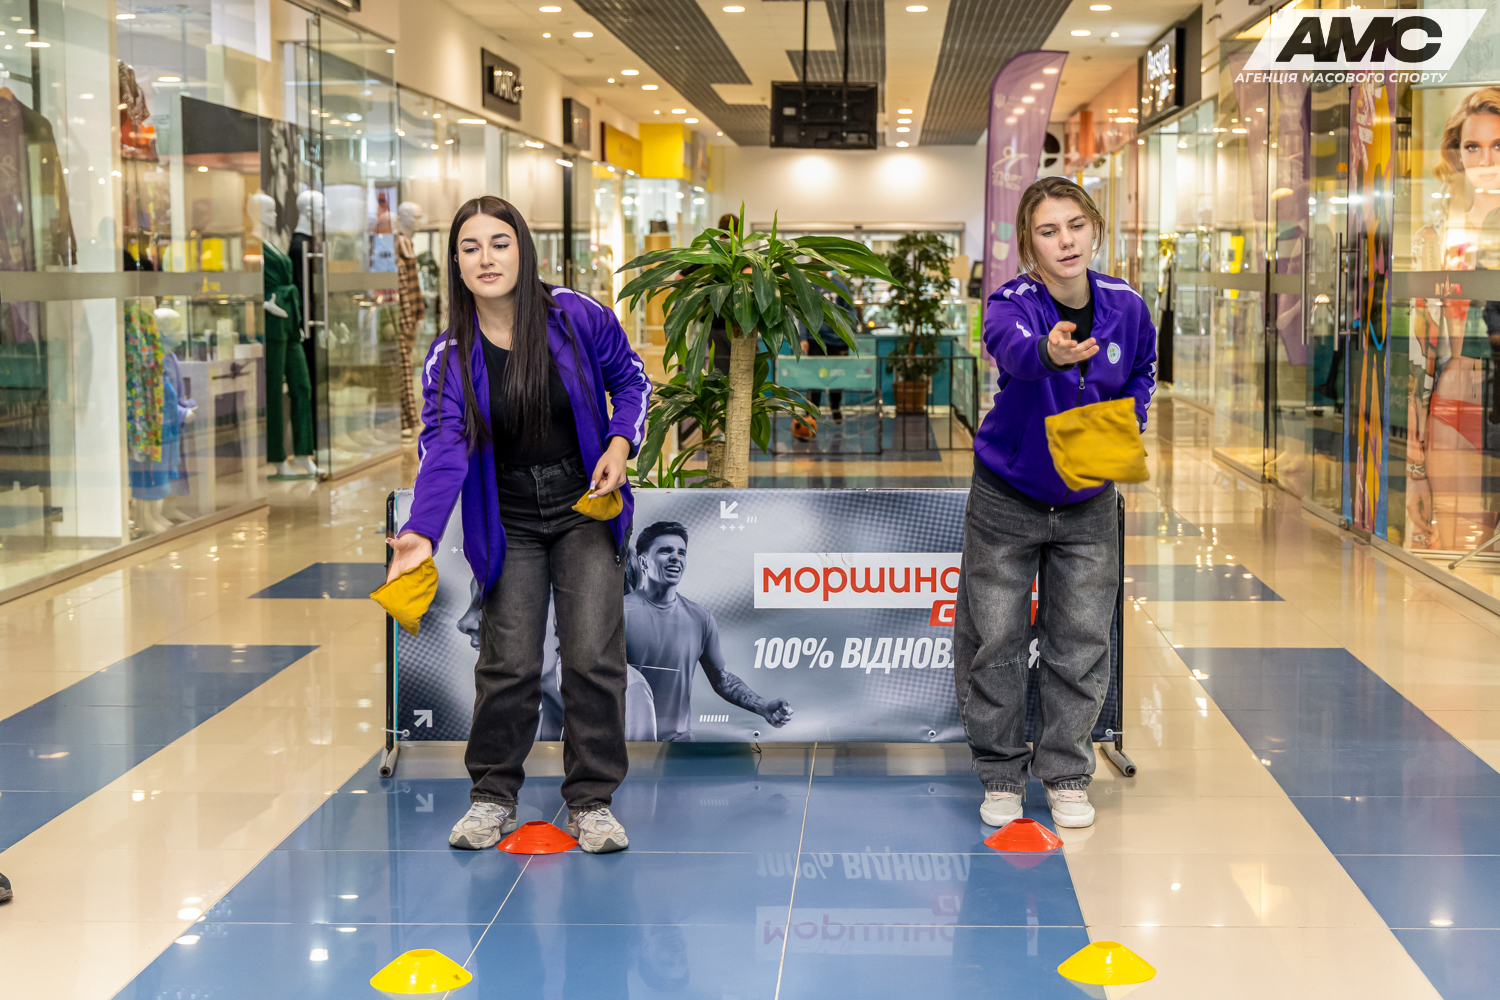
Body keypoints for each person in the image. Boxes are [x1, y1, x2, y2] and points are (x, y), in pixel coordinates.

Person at [388, 195, 652, 854]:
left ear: (522, 249)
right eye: (470, 247)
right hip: (507, 517)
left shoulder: (577, 315)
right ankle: (492, 797)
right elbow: (443, 447)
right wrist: (420, 531)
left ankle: (591, 802)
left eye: (499, 243)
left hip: (584, 502)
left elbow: (632, 382)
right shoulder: (450, 354)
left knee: (593, 657)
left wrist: (620, 443)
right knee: (508, 662)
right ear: (456, 262)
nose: (487, 258)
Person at [955, 176, 1156, 830]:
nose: (1065, 241)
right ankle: (1000, 773)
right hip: (1007, 495)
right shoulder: (1010, 303)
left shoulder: (1128, 305)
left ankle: (1068, 773)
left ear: (1094, 228)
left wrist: (1129, 420)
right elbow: (1012, 350)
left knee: (1081, 639)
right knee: (996, 638)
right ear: (1029, 243)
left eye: (1075, 225)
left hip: (1089, 497)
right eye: (1048, 230)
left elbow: (1143, 369)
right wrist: (1050, 351)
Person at [1407, 86, 1500, 552]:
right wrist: (1413, 466)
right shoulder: (1435, 240)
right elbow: (1419, 353)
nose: (1487, 160)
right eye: (1473, 146)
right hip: (1456, 401)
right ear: (1457, 154)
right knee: (1455, 547)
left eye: (1499, 145)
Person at [625, 520, 793, 740]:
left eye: (682, 553)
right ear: (643, 561)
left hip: (679, 745)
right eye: (666, 551)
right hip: (627, 746)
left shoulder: (700, 618)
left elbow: (722, 679)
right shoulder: (619, 612)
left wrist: (763, 707)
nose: (676, 558)